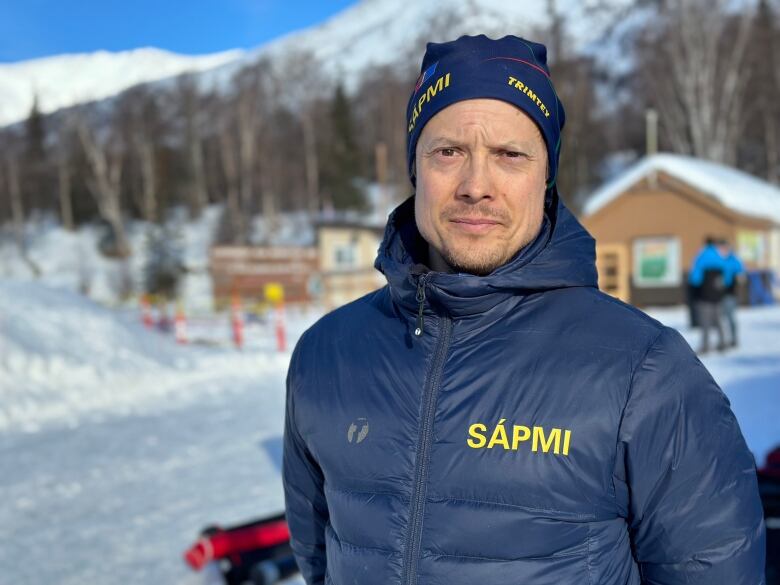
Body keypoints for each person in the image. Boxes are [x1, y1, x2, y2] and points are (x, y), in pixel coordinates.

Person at [282, 35, 765, 585]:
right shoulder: (326, 355)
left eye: (509, 155)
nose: (475, 186)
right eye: (448, 152)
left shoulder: (645, 372)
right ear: (416, 166)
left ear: (546, 177)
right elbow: (319, 556)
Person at [689, 237, 728, 353]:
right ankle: (722, 343)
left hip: (704, 295)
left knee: (705, 322)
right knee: (719, 320)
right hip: (718, 296)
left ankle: (705, 346)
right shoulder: (720, 257)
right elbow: (726, 278)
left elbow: (695, 278)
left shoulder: (701, 257)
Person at [718, 238, 744, 348]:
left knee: (729, 317)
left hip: (730, 292)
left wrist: (739, 278)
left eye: (724, 248)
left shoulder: (733, 260)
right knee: (719, 319)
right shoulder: (717, 259)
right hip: (718, 293)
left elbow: (741, 275)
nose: (722, 250)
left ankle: (733, 339)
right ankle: (722, 340)